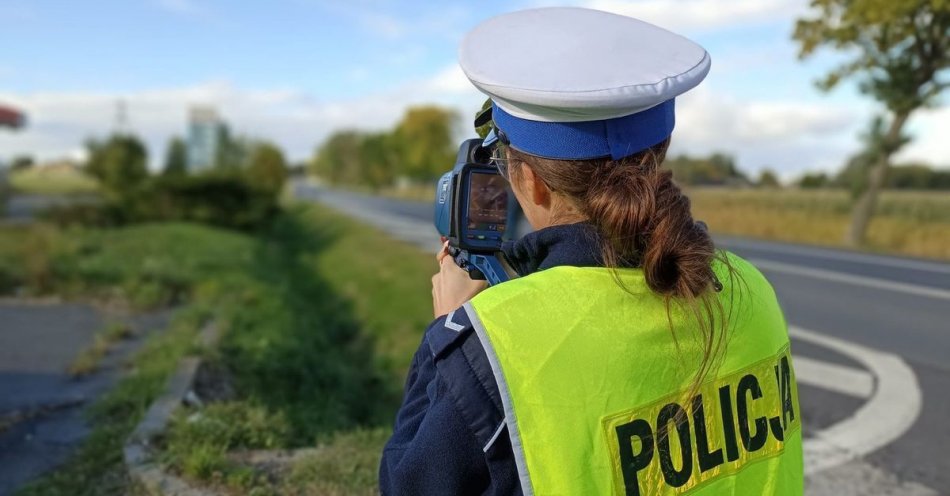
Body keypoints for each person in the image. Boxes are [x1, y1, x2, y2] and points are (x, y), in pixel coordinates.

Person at [381, 7, 803, 496]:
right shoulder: (750, 288)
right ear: (659, 147)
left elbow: (405, 485)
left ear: (531, 183)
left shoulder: (492, 349)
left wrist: (449, 336)